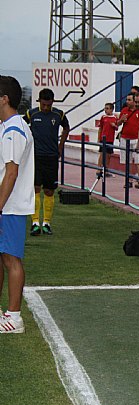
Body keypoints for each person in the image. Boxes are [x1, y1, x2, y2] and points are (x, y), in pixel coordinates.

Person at [0, 75, 35, 333]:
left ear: (4, 99)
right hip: (6, 205)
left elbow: (11, 173)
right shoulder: (8, 127)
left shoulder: (14, 130)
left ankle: (14, 317)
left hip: (9, 206)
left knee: (12, 259)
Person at [24, 88, 69, 236]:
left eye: (48, 105)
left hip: (51, 157)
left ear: (52, 102)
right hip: (36, 157)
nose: (45, 108)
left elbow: (66, 128)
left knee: (49, 190)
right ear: (39, 101)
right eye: (43, 104)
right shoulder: (32, 114)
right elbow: (22, 127)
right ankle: (35, 223)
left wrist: (60, 146)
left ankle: (47, 223)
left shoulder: (59, 114)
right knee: (35, 188)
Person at [117, 93, 139, 189]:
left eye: (129, 100)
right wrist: (121, 120)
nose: (127, 101)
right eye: (127, 99)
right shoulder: (124, 111)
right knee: (127, 161)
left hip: (137, 139)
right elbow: (117, 124)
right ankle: (128, 180)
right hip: (125, 138)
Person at [96, 102, 117, 176]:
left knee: (108, 155)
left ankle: (106, 169)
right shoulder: (103, 117)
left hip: (110, 139)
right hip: (103, 139)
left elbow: (116, 128)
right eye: (105, 108)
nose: (106, 110)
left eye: (107, 108)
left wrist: (114, 125)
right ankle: (98, 169)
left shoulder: (114, 118)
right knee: (102, 154)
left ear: (112, 109)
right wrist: (99, 138)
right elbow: (100, 128)